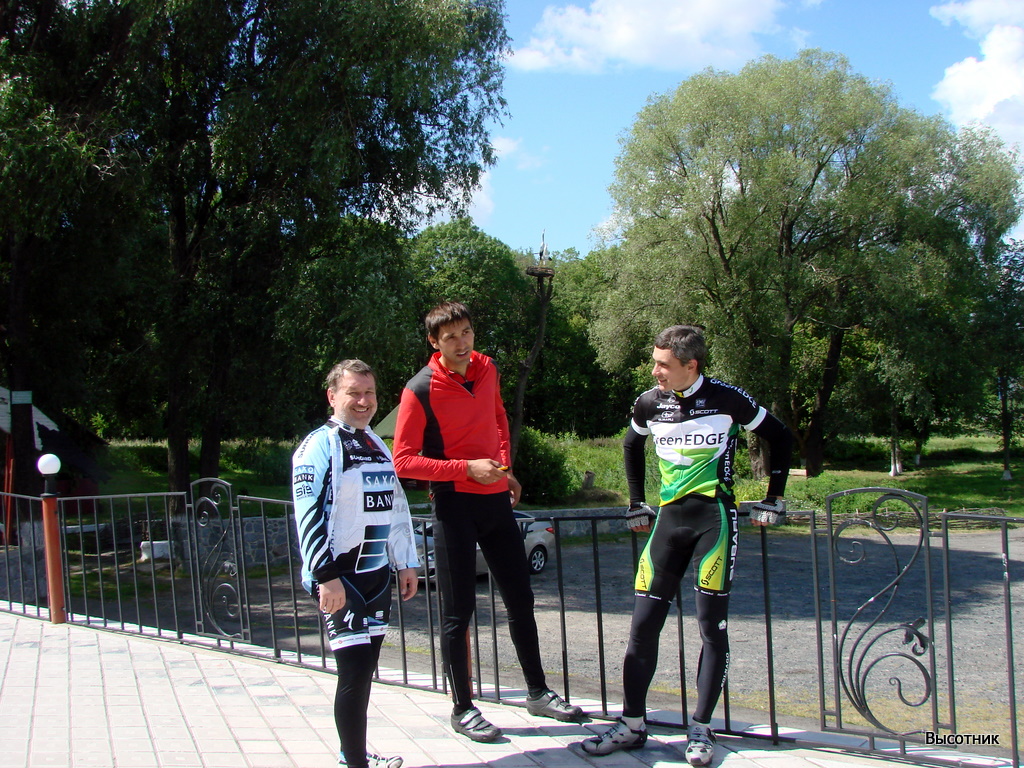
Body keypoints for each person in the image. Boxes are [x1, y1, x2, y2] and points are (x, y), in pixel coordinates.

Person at [581, 325, 793, 767]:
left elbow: (781, 436)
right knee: (642, 627)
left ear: (690, 365)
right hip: (668, 523)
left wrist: (775, 496)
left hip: (714, 522)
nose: (654, 371)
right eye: (655, 363)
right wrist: (636, 502)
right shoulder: (649, 402)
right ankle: (632, 724)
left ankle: (701, 728)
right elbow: (631, 444)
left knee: (711, 628)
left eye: (663, 364)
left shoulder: (727, 398)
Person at [392, 300, 583, 742]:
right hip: (453, 505)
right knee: (458, 612)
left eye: (467, 332)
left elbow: (498, 417)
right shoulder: (418, 389)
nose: (462, 343)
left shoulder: (488, 368)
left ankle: (538, 693)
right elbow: (403, 461)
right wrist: (465, 468)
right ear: (434, 342)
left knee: (521, 599)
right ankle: (463, 708)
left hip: (496, 502)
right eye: (450, 337)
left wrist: (504, 467)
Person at [292, 359, 419, 768]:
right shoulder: (318, 445)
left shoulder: (377, 443)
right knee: (353, 671)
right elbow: (306, 513)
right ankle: (354, 762)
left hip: (376, 577)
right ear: (333, 396)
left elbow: (395, 506)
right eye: (354, 393)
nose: (363, 401)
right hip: (340, 578)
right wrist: (324, 576)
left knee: (365, 672)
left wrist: (406, 561)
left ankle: (355, 755)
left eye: (369, 393)